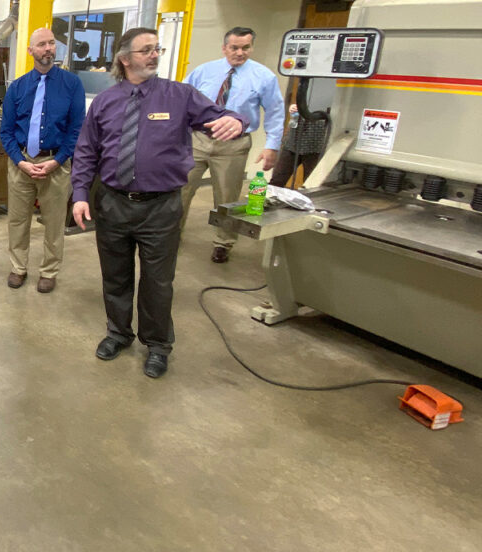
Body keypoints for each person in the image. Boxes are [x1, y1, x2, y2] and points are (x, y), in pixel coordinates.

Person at [71, 28, 247, 379]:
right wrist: (79, 195)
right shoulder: (105, 102)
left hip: (161, 207)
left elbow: (222, 117)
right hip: (113, 204)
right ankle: (118, 333)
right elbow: (87, 151)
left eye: (157, 48)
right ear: (125, 59)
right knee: (116, 276)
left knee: (158, 281)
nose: (154, 55)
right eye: (145, 50)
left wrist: (236, 120)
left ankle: (158, 345)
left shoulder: (179, 96)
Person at [179, 26, 285, 263]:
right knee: (180, 190)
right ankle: (171, 234)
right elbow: (180, 99)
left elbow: (276, 113)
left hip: (233, 145)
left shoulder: (263, 77)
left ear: (251, 47)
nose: (240, 52)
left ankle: (223, 243)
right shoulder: (204, 71)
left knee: (227, 197)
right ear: (224, 47)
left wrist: (272, 146)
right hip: (197, 139)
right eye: (234, 47)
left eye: (245, 47)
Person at [0, 27, 85, 293]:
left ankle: (49, 270)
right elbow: (7, 130)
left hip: (56, 164)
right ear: (31, 51)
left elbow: (76, 129)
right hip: (21, 162)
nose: (48, 48)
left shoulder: (72, 85)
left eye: (51, 43)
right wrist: (20, 161)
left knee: (54, 220)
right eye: (41, 44)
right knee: (17, 219)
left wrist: (57, 161)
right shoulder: (17, 87)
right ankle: (18, 267)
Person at [270, 103, 328, 188]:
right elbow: (299, 101)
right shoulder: (306, 91)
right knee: (277, 179)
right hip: (293, 141)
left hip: (316, 144)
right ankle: (268, 198)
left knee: (312, 183)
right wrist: (293, 107)